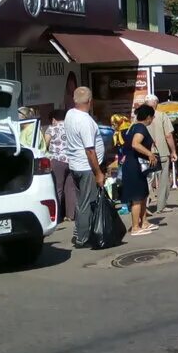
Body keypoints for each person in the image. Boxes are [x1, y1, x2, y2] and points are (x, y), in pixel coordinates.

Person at [64, 87, 106, 248]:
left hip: (75, 164)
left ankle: (81, 232)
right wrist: (98, 173)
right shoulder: (85, 121)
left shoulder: (70, 114)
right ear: (90, 101)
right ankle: (83, 237)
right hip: (86, 167)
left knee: (82, 201)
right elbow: (90, 150)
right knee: (87, 203)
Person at [121, 104, 160, 236]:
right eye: (152, 117)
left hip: (136, 166)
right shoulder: (140, 127)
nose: (152, 120)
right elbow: (135, 144)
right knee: (137, 197)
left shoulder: (133, 127)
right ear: (148, 117)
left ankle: (144, 222)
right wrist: (150, 153)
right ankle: (135, 227)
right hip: (134, 166)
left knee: (143, 194)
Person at [144, 94, 177, 214]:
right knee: (163, 179)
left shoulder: (138, 117)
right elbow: (168, 135)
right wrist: (173, 151)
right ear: (156, 103)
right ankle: (161, 206)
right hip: (162, 152)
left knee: (147, 179)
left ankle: (145, 205)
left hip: (145, 153)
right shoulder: (162, 116)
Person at [43, 109, 74, 222]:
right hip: (71, 160)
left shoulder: (52, 128)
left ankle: (57, 216)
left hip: (57, 160)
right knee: (70, 189)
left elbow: (44, 144)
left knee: (57, 188)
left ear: (54, 119)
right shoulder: (71, 128)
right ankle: (70, 215)